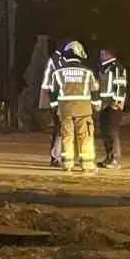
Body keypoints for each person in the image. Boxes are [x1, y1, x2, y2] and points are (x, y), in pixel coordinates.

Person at [46, 40, 100, 173]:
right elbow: (94, 90)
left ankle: (67, 164)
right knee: (85, 136)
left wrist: (55, 107)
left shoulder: (58, 72)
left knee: (67, 136)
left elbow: (53, 92)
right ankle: (87, 165)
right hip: (83, 110)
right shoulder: (88, 72)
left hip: (65, 110)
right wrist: (96, 105)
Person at [96, 47, 128, 168]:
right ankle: (109, 157)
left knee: (112, 132)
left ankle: (115, 159)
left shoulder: (116, 67)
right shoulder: (103, 67)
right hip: (104, 104)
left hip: (113, 105)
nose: (101, 55)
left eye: (103, 53)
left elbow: (120, 85)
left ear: (109, 54)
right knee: (105, 132)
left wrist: (117, 101)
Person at [39, 41, 70, 168]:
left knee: (61, 129)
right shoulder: (56, 60)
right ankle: (56, 156)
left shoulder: (59, 60)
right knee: (59, 129)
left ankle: (59, 156)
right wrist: (53, 103)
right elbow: (49, 84)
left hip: (60, 99)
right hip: (58, 100)